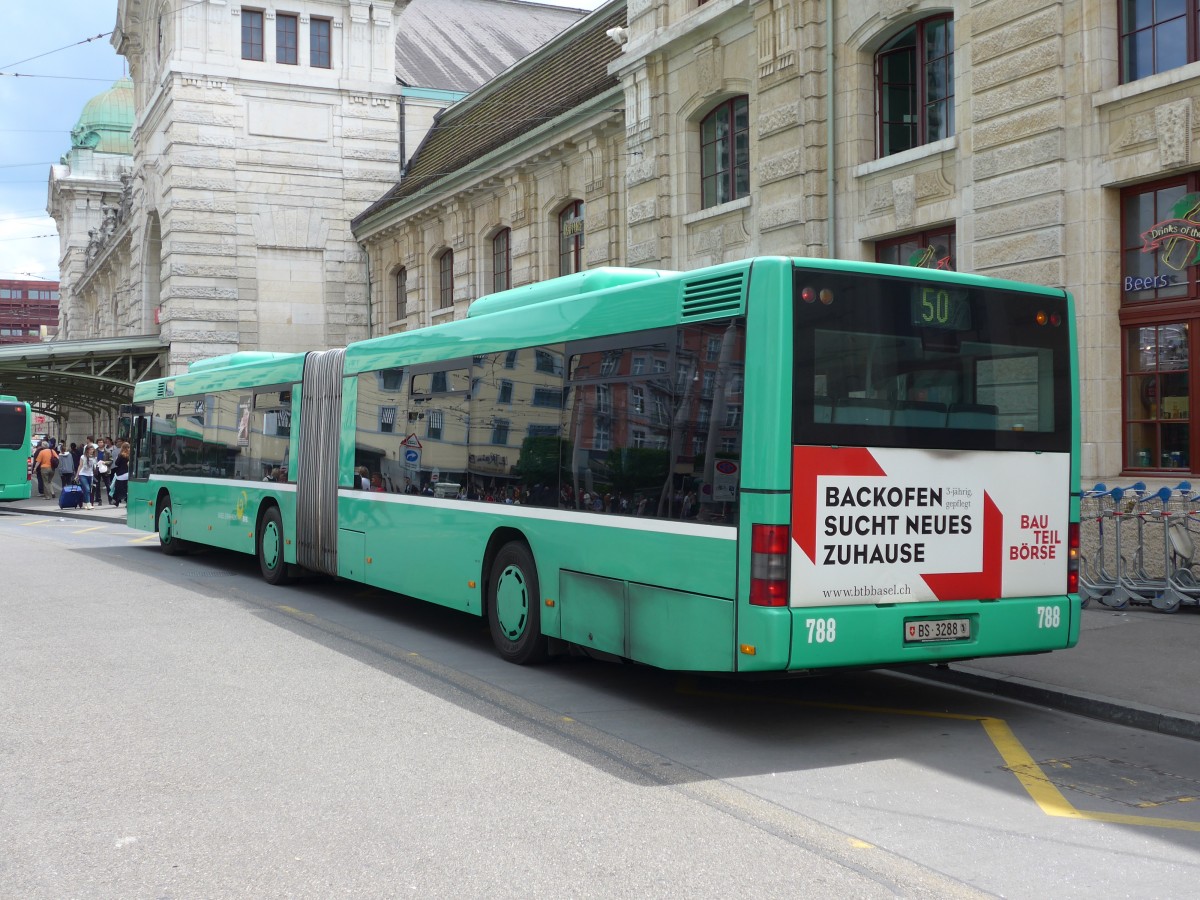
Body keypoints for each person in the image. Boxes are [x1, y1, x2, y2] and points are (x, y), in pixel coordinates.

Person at [77, 444, 97, 510]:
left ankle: (84, 503)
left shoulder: (94, 457)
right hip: (83, 474)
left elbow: (94, 467)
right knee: (87, 489)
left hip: (90, 475)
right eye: (90, 449)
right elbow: (80, 466)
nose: (92, 451)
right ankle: (88, 504)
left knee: (87, 490)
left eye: (92, 449)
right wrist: (77, 475)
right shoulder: (83, 457)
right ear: (87, 450)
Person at [111, 443, 131, 507]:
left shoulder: (121, 455)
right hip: (128, 473)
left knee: (118, 488)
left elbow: (116, 463)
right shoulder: (131, 455)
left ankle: (116, 501)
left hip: (121, 474)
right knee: (126, 488)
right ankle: (127, 501)